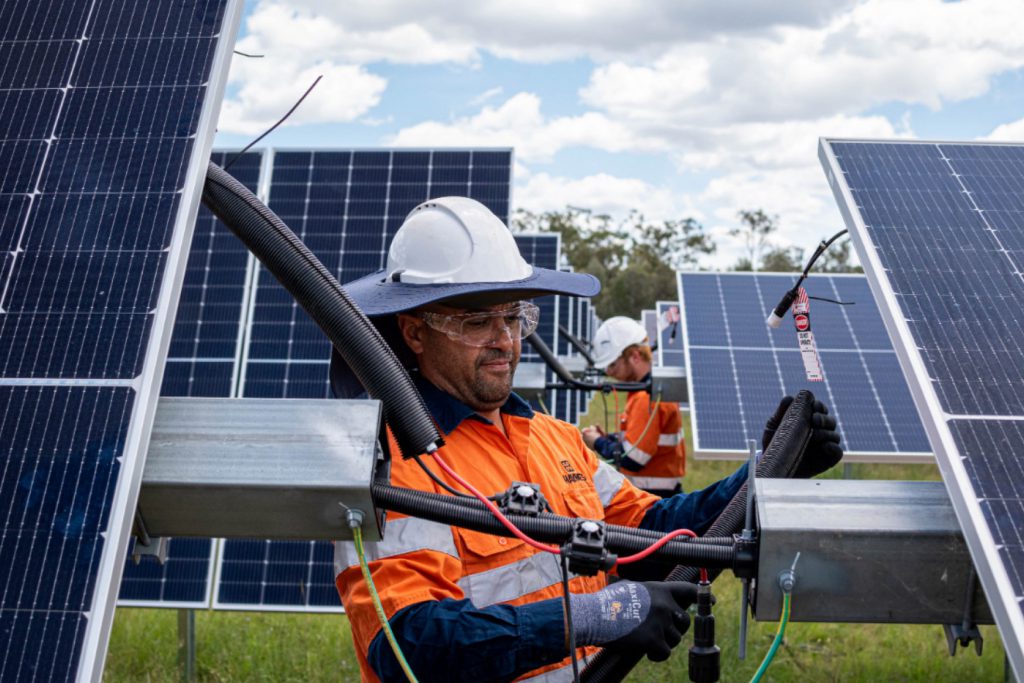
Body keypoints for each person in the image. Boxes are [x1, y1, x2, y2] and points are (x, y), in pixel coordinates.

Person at [331, 197, 843, 682]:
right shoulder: (391, 464)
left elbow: (654, 536)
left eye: (512, 317)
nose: (505, 342)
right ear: (415, 333)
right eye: (476, 322)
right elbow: (409, 647)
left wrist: (767, 472)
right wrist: (591, 617)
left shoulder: (556, 438)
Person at [582, 317, 686, 498]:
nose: (610, 373)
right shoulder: (645, 392)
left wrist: (597, 442)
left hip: (652, 498)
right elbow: (640, 440)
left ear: (635, 357)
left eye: (613, 364)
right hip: (657, 494)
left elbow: (633, 458)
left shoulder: (646, 398)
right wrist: (608, 437)